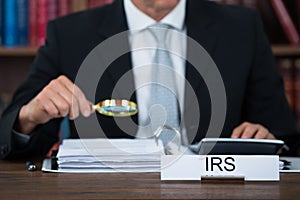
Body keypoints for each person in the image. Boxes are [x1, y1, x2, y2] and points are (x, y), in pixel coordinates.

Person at [0, 0, 299, 159]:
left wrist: (264, 138)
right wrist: (28, 116)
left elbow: (284, 137)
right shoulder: (68, 34)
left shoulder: (241, 28)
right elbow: (13, 139)